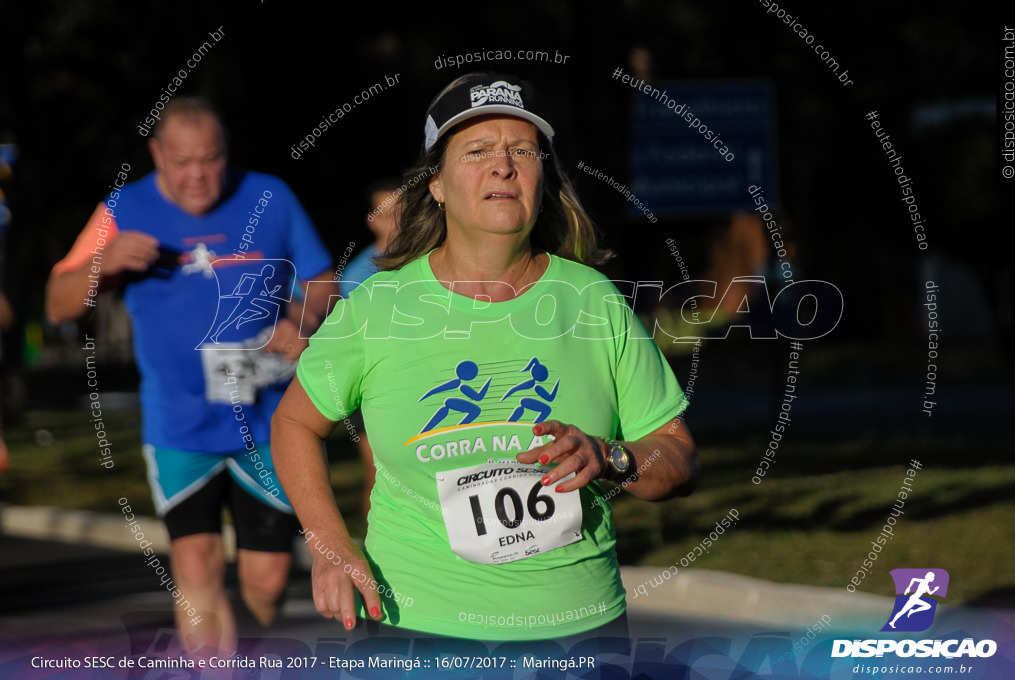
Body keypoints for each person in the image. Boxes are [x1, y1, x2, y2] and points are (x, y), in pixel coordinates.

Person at [271, 72, 700, 642]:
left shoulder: (592, 300)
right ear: (437, 185)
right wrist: (329, 545)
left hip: (578, 633)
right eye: (477, 151)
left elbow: (677, 456)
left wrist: (610, 457)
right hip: (418, 628)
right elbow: (294, 422)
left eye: (522, 150)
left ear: (543, 178)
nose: (503, 165)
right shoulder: (379, 305)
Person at [45, 96, 335, 654]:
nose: (198, 175)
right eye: (182, 162)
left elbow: (322, 281)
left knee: (266, 582)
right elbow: (58, 303)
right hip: (180, 424)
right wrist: (101, 267)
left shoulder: (269, 196)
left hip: (270, 421)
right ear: (155, 154)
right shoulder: (122, 210)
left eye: (211, 159)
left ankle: (240, 659)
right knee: (196, 564)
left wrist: (302, 318)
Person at [340, 179, 402, 520]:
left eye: (403, 210)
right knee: (379, 475)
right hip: (374, 385)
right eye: (387, 213)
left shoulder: (429, 259)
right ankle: (371, 557)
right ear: (372, 220)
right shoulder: (358, 274)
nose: (397, 220)